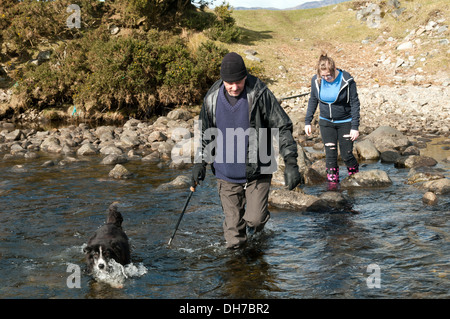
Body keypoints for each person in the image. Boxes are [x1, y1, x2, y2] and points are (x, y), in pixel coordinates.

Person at [191, 52, 303, 249]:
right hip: (226, 175)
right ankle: (239, 274)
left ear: (245, 77)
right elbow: (204, 134)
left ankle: (255, 229)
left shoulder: (260, 93)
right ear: (222, 80)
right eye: (229, 83)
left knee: (256, 220)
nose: (234, 87)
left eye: (239, 82)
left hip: (258, 171)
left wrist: (291, 163)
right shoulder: (211, 99)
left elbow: (283, 126)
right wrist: (200, 163)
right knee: (234, 239)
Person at [304, 53, 361, 189]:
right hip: (326, 122)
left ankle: (355, 180)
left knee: (347, 155)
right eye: (322, 76)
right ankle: (333, 186)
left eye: (328, 75)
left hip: (345, 122)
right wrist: (308, 121)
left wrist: (355, 126)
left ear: (334, 69)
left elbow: (354, 103)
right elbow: (313, 100)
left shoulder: (347, 80)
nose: (326, 78)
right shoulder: (316, 81)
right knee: (330, 155)